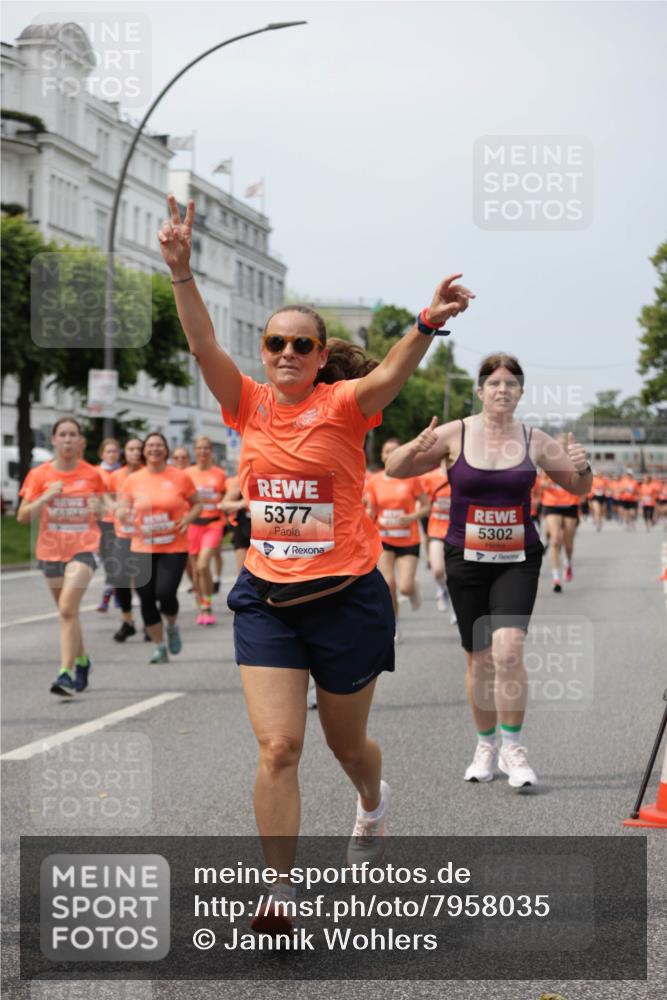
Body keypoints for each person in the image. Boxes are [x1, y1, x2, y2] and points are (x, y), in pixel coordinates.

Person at [158, 193, 474, 926]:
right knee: (277, 747)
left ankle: (373, 799)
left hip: (346, 601)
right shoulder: (245, 404)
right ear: (264, 350)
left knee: (347, 747)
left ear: (321, 355)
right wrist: (180, 270)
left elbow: (391, 373)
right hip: (267, 601)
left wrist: (427, 322)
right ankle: (280, 890)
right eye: (276, 343)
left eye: (302, 345)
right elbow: (203, 345)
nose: (288, 354)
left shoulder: (345, 405)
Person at [385, 354, 592, 789]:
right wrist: (416, 445)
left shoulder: (535, 440)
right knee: (479, 658)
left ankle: (513, 748)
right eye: (494, 383)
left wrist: (582, 465)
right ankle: (485, 745)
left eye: (511, 384)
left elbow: (578, 487)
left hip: (517, 560)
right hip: (466, 559)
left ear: (520, 393)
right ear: (479, 391)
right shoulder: (454, 433)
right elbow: (395, 469)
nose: (502, 390)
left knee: (508, 651)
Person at [17, 417, 105, 696]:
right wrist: (44, 498)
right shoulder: (39, 475)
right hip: (50, 551)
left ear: (80, 441)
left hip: (84, 548)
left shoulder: (92, 474)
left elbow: (106, 511)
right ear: (54, 440)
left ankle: (65, 673)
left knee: (67, 608)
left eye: (73, 434)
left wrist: (99, 507)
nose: (68, 439)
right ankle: (83, 661)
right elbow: (22, 516)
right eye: (63, 434)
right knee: (68, 613)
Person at [119, 432, 201, 663]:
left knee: (165, 593)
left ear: (166, 450)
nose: (154, 449)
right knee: (145, 598)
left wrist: (188, 518)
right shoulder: (133, 479)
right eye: (150, 445)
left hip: (173, 546)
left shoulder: (180, 477)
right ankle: (158, 646)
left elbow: (197, 504)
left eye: (159, 445)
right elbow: (123, 506)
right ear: (144, 451)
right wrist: (122, 513)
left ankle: (172, 626)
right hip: (142, 546)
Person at [365, 439, 430, 642]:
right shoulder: (374, 481)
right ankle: (395, 623)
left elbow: (426, 506)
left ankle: (412, 588)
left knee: (405, 587)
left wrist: (411, 517)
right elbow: (371, 508)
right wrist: (368, 514)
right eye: (387, 451)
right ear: (382, 456)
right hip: (383, 538)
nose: (390, 454)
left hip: (408, 539)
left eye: (395, 451)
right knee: (388, 583)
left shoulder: (411, 479)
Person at [106, 438, 144, 642]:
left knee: (144, 582)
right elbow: (105, 495)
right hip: (122, 534)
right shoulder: (116, 475)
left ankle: (150, 622)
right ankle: (127, 621)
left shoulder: (148, 474)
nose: (135, 452)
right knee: (119, 578)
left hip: (145, 537)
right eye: (131, 449)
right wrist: (114, 507)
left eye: (139, 449)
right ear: (125, 452)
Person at [187, 436, 227, 625]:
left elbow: (227, 496)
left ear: (211, 451)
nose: (203, 451)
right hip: (193, 525)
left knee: (203, 565)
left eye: (206, 448)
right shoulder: (187, 474)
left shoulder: (220, 474)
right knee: (196, 570)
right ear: (194, 451)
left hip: (213, 524)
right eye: (199, 448)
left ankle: (207, 605)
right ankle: (201, 599)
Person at [539, 461, 581, 592]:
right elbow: (540, 483)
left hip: (570, 504)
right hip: (551, 504)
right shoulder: (547, 465)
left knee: (568, 546)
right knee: (555, 540)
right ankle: (556, 578)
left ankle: (568, 562)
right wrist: (546, 484)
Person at [421, 463, 453, 613]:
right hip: (437, 529)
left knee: (456, 574)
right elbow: (424, 503)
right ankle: (442, 588)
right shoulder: (430, 478)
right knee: (438, 570)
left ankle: (456, 609)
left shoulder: (464, 476)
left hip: (458, 531)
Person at [95, 437, 121, 613]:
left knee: (118, 560)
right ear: (102, 454)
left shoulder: (124, 472)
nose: (112, 454)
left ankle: (108, 595)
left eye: (115, 451)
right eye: (108, 451)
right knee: (109, 561)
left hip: (122, 523)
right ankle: (117, 591)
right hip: (102, 522)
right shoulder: (95, 472)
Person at [221, 466, 251, 573]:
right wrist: (241, 504)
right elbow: (224, 505)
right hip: (244, 525)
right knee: (243, 571)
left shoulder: (272, 476)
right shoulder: (241, 479)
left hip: (266, 526)